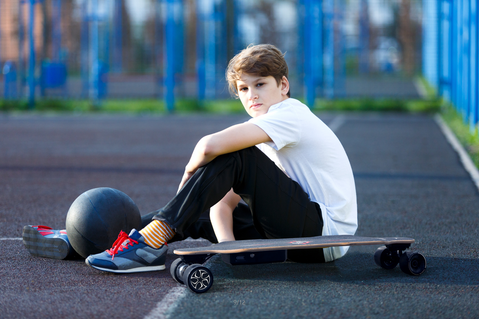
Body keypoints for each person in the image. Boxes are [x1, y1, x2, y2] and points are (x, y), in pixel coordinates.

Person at [25, 44, 357, 273]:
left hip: (322, 237)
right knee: (194, 214)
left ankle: (150, 240)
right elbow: (221, 203)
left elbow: (210, 145)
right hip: (292, 231)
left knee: (233, 153)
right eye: (243, 89)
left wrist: (189, 172)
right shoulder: (265, 128)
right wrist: (229, 247)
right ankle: (93, 237)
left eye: (261, 84)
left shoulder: (290, 114)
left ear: (283, 85)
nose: (252, 95)